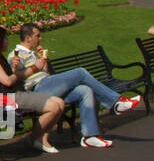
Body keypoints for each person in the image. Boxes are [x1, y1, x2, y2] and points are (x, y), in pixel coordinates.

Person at [12, 22, 141, 148]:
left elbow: (46, 74)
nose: (40, 38)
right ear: (28, 38)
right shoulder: (15, 54)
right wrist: (36, 66)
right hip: (36, 90)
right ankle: (115, 102)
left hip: (47, 85)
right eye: (38, 36)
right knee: (80, 72)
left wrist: (43, 61)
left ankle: (90, 137)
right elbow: (15, 78)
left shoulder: (33, 53)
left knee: (85, 90)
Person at [0, 25, 65, 154]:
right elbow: (6, 81)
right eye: (5, 38)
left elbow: (11, 77)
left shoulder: (0, 58)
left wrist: (14, 71)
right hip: (7, 97)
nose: (7, 41)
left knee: (60, 103)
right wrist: (17, 74)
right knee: (54, 107)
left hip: (17, 93)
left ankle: (42, 139)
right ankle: (33, 138)